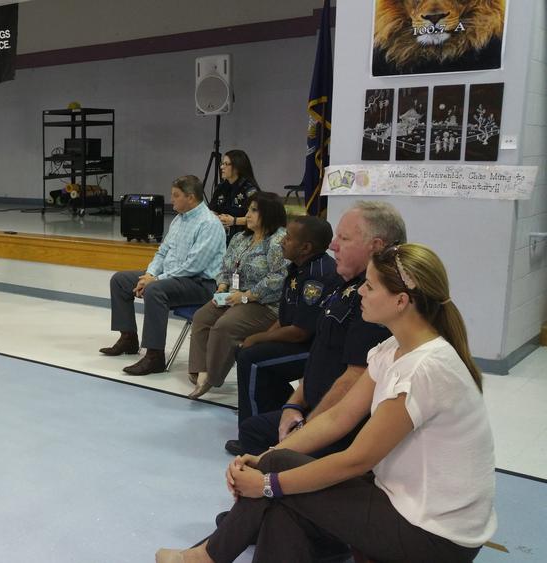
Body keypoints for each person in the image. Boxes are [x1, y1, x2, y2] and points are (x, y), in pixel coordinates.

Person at [156, 243, 497, 563]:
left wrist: (265, 482)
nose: (360, 291)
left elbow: (354, 461)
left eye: (372, 286)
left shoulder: (424, 368)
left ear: (401, 301)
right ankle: (207, 555)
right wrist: (264, 460)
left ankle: (205, 557)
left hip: (436, 536)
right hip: (404, 506)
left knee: (279, 485)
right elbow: (337, 418)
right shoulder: (393, 348)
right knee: (282, 498)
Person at [235, 201, 404, 457]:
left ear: (376, 247)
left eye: (344, 238)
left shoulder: (376, 301)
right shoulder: (343, 283)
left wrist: (307, 429)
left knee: (262, 462)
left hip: (340, 424)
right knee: (251, 431)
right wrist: (292, 407)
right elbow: (318, 354)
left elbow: (353, 379)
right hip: (313, 407)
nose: (333, 245)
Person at [225, 216, 338, 453]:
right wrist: (259, 338)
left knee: (251, 359)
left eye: (288, 238)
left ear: (305, 247)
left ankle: (252, 439)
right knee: (248, 351)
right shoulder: (299, 268)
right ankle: (275, 418)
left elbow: (300, 332)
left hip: (316, 350)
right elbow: (286, 319)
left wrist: (256, 339)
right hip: (300, 342)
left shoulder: (317, 275)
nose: (281, 242)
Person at [100, 175, 226, 376]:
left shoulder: (209, 224)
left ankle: (155, 356)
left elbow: (194, 266)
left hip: (199, 284)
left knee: (155, 290)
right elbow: (162, 252)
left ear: (191, 198)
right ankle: (128, 338)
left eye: (176, 196)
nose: (171, 199)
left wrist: (156, 280)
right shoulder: (179, 219)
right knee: (120, 280)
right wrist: (150, 273)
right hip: (171, 277)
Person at [186, 192, 288, 399]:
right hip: (234, 297)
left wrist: (246, 295)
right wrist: (222, 286)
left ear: (269, 214)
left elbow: (278, 277)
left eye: (253, 210)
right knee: (202, 317)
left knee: (225, 325)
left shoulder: (278, 241)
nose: (247, 215)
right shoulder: (240, 238)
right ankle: (200, 370)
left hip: (265, 304)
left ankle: (212, 377)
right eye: (248, 209)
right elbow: (226, 265)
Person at [208, 150, 259, 239]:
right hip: (220, 233)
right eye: (222, 163)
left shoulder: (249, 190)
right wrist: (216, 218)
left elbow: (258, 218)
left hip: (243, 236)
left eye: (226, 164)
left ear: (237, 167)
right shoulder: (221, 187)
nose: (221, 167)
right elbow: (213, 209)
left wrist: (234, 221)